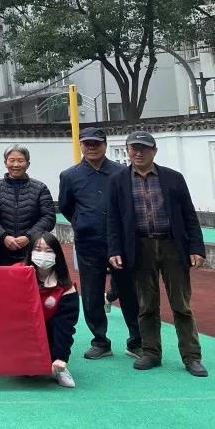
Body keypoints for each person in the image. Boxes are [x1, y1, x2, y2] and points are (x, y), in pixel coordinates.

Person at [108, 131, 207, 377]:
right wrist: (115, 249)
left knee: (181, 304)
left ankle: (192, 356)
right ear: (128, 150)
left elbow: (189, 214)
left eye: (144, 148)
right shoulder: (118, 181)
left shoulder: (173, 178)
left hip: (172, 245)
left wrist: (196, 247)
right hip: (139, 247)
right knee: (146, 304)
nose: (138, 153)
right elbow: (113, 220)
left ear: (154, 151)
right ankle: (151, 352)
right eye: (133, 148)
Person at [58, 127, 141, 360]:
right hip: (88, 242)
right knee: (92, 293)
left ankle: (136, 341)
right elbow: (66, 206)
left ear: (105, 145)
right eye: (87, 144)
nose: (92, 147)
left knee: (128, 291)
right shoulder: (70, 176)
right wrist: (82, 222)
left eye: (96, 143)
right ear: (81, 146)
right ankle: (100, 341)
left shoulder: (122, 172)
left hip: (120, 243)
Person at [19, 232, 80, 388]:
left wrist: (61, 357)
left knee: (55, 330)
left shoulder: (66, 289)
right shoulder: (16, 274)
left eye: (48, 251)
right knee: (28, 372)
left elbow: (65, 328)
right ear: (30, 252)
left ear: (57, 255)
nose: (42, 254)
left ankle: (59, 367)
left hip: (48, 333)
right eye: (38, 249)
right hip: (23, 333)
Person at [0, 146, 56, 265]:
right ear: (5, 163)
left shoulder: (40, 188)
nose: (16, 165)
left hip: (32, 249)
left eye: (20, 161)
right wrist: (4, 236)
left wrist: (28, 237)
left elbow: (48, 217)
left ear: (28, 164)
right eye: (12, 160)